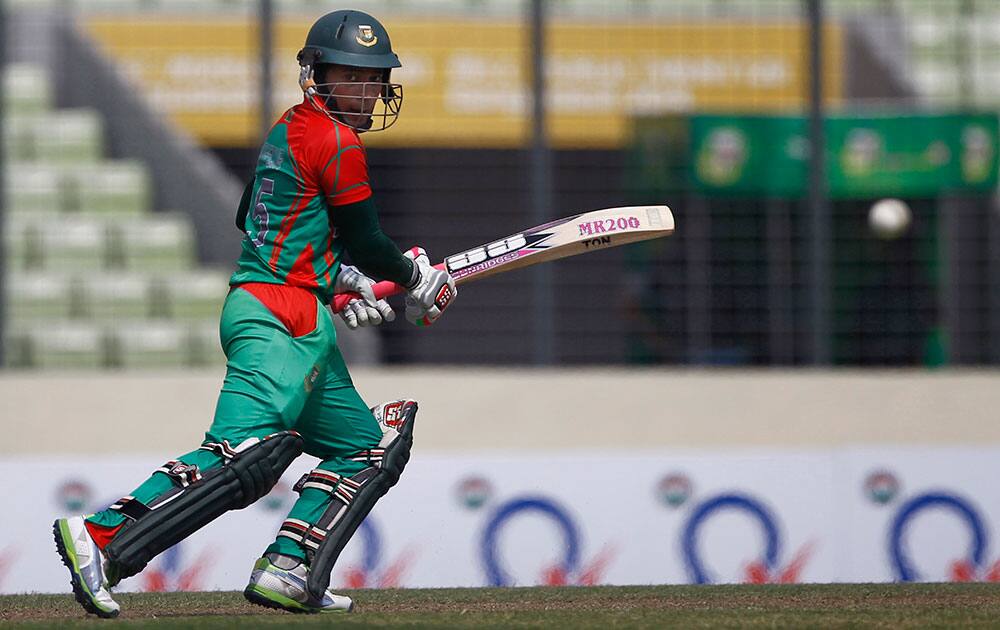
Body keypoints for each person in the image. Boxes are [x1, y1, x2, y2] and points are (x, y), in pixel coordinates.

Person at [53, 9, 456, 617]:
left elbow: (258, 219)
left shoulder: (289, 128)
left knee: (369, 447)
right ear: (318, 74)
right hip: (278, 314)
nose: (367, 88)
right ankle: (103, 537)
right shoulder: (338, 139)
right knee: (245, 451)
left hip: (293, 312)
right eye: (352, 74)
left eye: (374, 76)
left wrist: (337, 279)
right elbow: (370, 240)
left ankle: (290, 569)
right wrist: (410, 276)